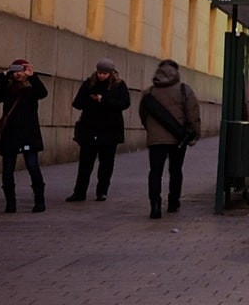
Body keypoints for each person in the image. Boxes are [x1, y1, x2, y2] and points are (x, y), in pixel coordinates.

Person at [139, 58, 200, 219]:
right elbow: (192, 114)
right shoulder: (183, 90)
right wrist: (194, 133)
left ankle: (155, 205)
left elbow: (143, 115)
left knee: (155, 172)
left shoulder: (150, 92)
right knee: (176, 170)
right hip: (178, 139)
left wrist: (152, 130)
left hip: (156, 139)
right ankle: (173, 202)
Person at [0, 59, 49, 213]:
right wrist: (2, 77)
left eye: (21, 71)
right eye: (15, 71)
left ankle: (39, 201)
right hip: (10, 134)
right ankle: (10, 203)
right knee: (8, 169)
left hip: (29, 133)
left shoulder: (31, 88)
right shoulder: (7, 87)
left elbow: (43, 93)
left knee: (33, 166)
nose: (19, 74)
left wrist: (33, 76)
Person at [68, 58, 131, 202]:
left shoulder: (119, 85)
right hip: (89, 128)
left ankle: (102, 191)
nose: (102, 76)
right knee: (85, 163)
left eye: (105, 73)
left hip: (110, 130)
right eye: (100, 72)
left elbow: (125, 103)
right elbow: (77, 103)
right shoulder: (89, 83)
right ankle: (79, 192)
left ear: (111, 73)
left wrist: (105, 100)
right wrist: (91, 99)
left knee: (106, 163)